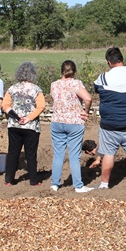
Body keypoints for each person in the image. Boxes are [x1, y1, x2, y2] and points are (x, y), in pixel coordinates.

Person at [93, 47, 126, 190]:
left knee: (108, 153)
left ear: (109, 62)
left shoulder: (103, 78)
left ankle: (104, 184)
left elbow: (96, 89)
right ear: (122, 59)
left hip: (109, 123)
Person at [49, 60, 94, 193]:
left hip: (57, 121)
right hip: (74, 122)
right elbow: (88, 99)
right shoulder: (76, 83)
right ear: (74, 71)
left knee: (58, 154)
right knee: (74, 155)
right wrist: (85, 112)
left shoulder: (54, 85)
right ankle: (78, 186)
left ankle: (54, 184)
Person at [2, 62, 46, 186]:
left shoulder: (12, 88)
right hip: (31, 126)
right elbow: (41, 106)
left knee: (13, 153)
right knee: (31, 154)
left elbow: (5, 106)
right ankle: (33, 180)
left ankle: (9, 180)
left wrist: (16, 117)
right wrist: (28, 118)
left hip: (14, 126)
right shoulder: (36, 89)